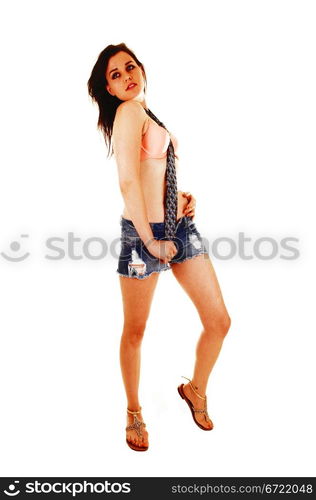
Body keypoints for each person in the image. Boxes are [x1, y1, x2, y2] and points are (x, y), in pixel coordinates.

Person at [87, 43, 231, 452]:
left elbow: (153, 173)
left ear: (142, 69)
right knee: (135, 331)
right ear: (109, 90)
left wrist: (180, 197)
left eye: (130, 67)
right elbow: (129, 182)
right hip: (142, 236)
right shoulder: (127, 112)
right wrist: (150, 240)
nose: (126, 75)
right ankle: (133, 411)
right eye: (115, 75)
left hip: (179, 228)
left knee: (218, 321)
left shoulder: (147, 112)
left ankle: (195, 390)